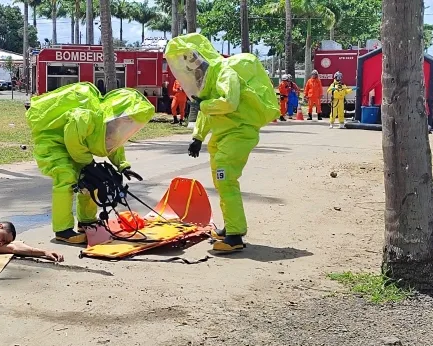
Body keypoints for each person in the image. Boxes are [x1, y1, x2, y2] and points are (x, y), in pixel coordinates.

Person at [164, 33, 280, 253]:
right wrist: (197, 137)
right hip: (223, 135)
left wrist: (204, 105)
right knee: (221, 182)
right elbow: (207, 110)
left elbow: (228, 102)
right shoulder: (208, 79)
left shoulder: (225, 73)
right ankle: (232, 227)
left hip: (238, 133)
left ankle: (235, 237)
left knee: (226, 179)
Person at [26, 83, 155, 244]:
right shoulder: (88, 116)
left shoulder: (110, 122)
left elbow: (113, 143)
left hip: (77, 148)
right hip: (52, 141)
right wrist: (89, 164)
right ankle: (62, 230)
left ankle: (86, 221)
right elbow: (72, 138)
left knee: (89, 181)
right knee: (66, 177)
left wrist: (122, 165)